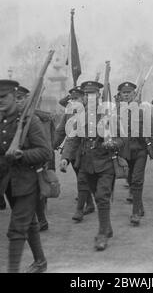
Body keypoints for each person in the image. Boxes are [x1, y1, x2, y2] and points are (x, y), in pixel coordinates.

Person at [0, 79, 51, 273]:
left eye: (4, 97)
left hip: (29, 181)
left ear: (14, 97)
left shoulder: (31, 121)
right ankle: (40, 262)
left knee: (16, 229)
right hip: (7, 183)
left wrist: (24, 155)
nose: (0, 101)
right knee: (28, 223)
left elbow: (45, 151)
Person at [60, 81, 124, 251]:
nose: (90, 98)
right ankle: (107, 227)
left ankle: (102, 234)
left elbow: (121, 139)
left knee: (102, 196)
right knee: (97, 196)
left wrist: (112, 143)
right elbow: (72, 139)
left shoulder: (109, 115)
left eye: (93, 95)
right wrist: (66, 157)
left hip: (105, 163)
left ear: (99, 96)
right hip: (86, 164)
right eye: (87, 95)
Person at [117, 81, 153, 224]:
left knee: (137, 180)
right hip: (124, 152)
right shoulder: (116, 112)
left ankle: (135, 212)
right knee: (130, 180)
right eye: (124, 93)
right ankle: (140, 205)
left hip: (141, 150)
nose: (127, 95)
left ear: (134, 94)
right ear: (120, 95)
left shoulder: (143, 111)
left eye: (129, 93)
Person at [16, 85, 57, 231]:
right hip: (19, 162)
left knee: (39, 190)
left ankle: (40, 219)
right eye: (15, 99)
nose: (17, 102)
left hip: (36, 159)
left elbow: (49, 141)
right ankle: (37, 219)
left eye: (20, 98)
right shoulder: (13, 118)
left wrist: (47, 160)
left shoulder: (41, 118)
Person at [54, 86, 96, 222]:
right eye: (71, 99)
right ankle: (89, 204)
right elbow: (61, 131)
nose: (73, 101)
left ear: (84, 98)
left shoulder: (91, 112)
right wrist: (51, 146)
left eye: (76, 98)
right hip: (72, 150)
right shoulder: (69, 112)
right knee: (81, 177)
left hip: (86, 150)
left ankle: (80, 210)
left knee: (83, 179)